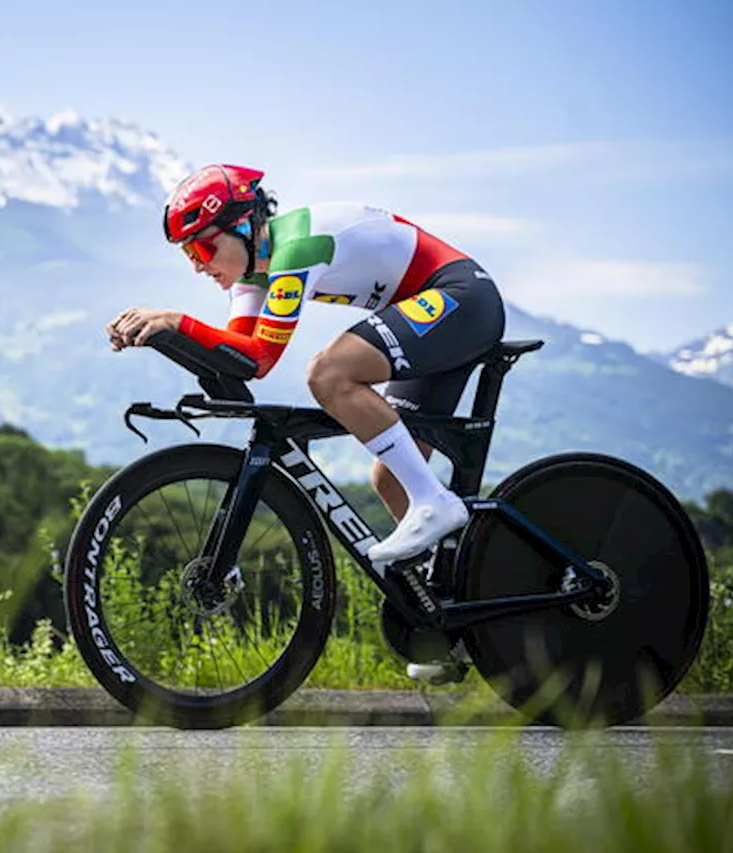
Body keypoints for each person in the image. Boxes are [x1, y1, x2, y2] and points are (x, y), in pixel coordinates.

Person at [107, 164, 505, 673]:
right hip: (429, 312)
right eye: (188, 254)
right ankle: (450, 624)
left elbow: (262, 356)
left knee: (330, 373)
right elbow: (242, 361)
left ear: (245, 225)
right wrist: (167, 340)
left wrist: (174, 321)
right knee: (390, 475)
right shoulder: (252, 274)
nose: (197, 266)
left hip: (462, 298)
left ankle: (436, 502)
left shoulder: (296, 249)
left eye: (203, 248)